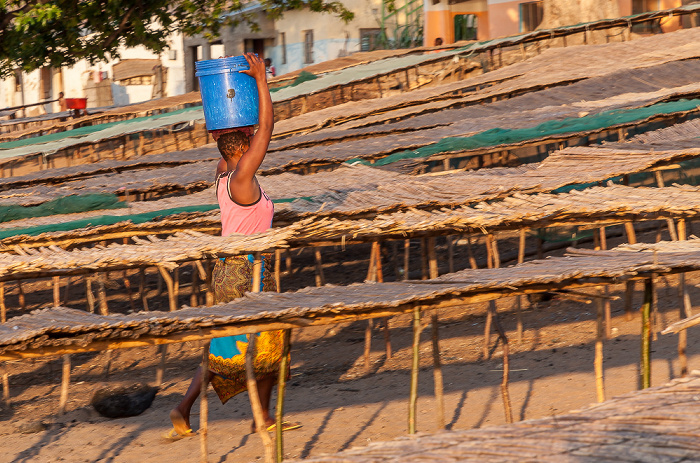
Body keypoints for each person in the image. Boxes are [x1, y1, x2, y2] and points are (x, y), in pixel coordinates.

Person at [168, 53, 299, 438]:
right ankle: (263, 418)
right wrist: (261, 81)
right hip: (249, 268)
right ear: (244, 148)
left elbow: (232, 134)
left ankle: (183, 406)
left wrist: (227, 109)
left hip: (225, 269)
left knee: (226, 342)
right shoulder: (241, 174)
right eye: (250, 142)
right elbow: (267, 129)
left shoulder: (222, 173)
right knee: (270, 338)